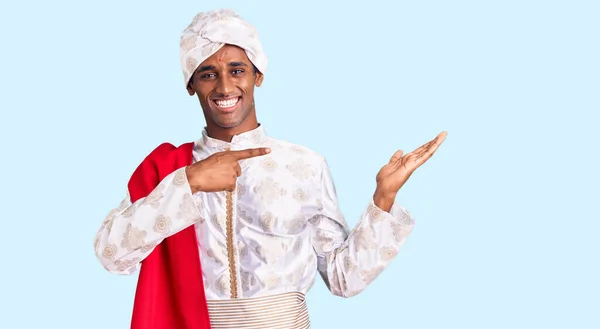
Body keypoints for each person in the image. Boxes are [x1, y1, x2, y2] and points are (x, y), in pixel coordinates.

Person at [94, 8, 447, 329]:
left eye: (237, 70)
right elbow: (111, 255)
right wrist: (189, 182)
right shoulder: (169, 169)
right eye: (207, 74)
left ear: (257, 75)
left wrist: (383, 198)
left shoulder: (304, 164)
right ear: (191, 85)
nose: (225, 87)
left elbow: (344, 279)